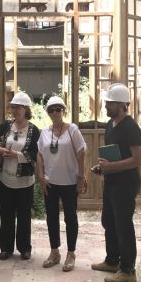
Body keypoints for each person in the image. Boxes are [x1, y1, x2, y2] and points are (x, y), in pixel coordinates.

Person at [90, 83, 141, 282]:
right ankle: (112, 261)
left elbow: (138, 159)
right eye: (106, 102)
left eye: (110, 103)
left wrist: (111, 166)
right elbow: (115, 155)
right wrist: (102, 167)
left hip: (126, 185)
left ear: (122, 105)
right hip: (111, 182)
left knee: (123, 226)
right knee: (109, 222)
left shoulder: (131, 127)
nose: (106, 106)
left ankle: (128, 270)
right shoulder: (109, 126)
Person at [36, 96, 87, 272]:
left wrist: (81, 177)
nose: (55, 112)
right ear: (48, 113)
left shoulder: (72, 130)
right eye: (51, 110)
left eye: (58, 109)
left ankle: (71, 253)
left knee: (70, 218)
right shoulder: (45, 132)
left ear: (64, 111)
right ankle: (54, 251)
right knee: (51, 218)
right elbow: (39, 154)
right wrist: (41, 176)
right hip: (50, 182)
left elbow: (81, 152)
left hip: (69, 182)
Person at [0, 92, 40, 261]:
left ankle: (25, 248)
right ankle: (6, 248)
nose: (14, 110)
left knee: (24, 215)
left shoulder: (34, 130)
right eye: (13, 107)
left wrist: (16, 155)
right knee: (6, 214)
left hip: (25, 181)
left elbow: (35, 153)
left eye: (18, 107)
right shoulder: (6, 125)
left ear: (26, 109)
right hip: (5, 178)